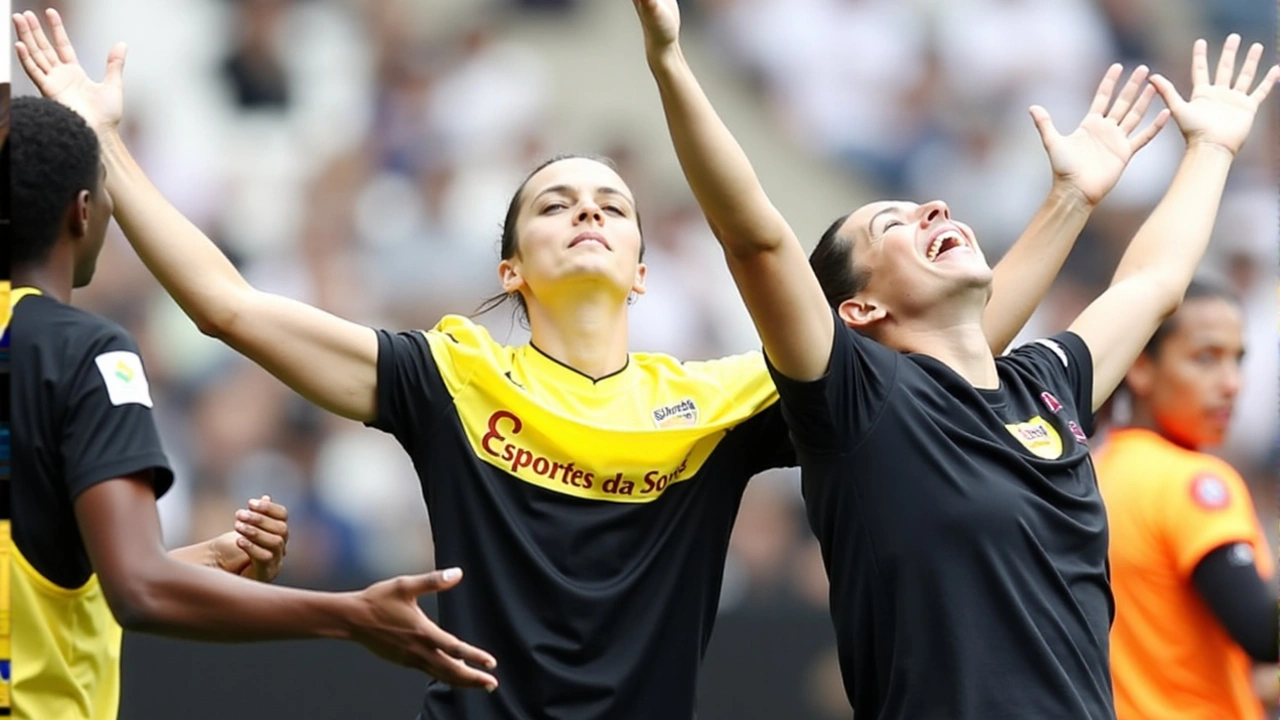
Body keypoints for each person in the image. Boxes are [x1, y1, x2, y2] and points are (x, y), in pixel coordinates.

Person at [16, 8, 1163, 718]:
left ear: (641, 263)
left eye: (609, 203)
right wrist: (100, 140)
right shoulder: (449, 374)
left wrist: (1069, 200)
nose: (587, 214)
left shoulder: (714, 401)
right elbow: (225, 305)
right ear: (511, 267)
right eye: (552, 204)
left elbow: (933, 350)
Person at [632, 0, 1278, 717]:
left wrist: (1212, 149)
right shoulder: (858, 404)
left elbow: (1153, 287)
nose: (931, 209)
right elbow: (756, 239)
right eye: (892, 224)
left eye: (924, 208)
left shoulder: (1044, 388)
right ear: (860, 311)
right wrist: (669, 60)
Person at [6, 92, 502, 720]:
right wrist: (349, 615)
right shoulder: (87, 353)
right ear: (83, 211)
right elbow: (136, 589)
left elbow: (57, 573)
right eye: (105, 191)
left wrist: (207, 560)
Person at [1094, 279, 1278, 720]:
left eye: (1238, 360)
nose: (1232, 384)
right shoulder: (1195, 483)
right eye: (1205, 358)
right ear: (1140, 367)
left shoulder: (1093, 472)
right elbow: (1262, 632)